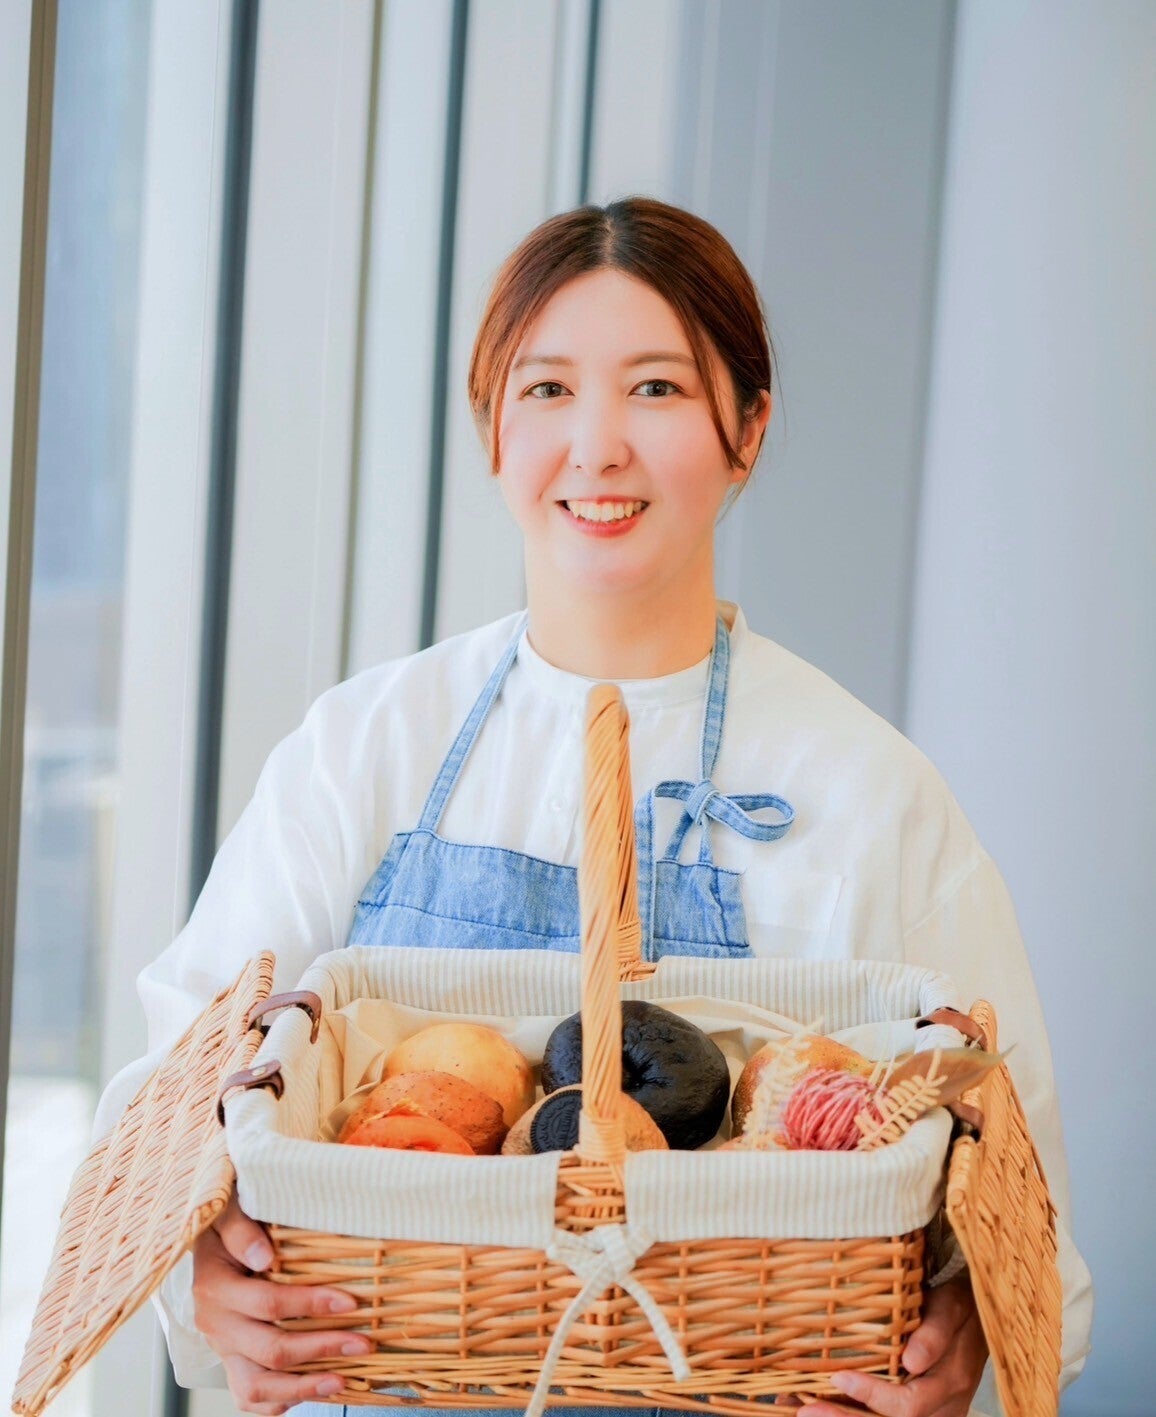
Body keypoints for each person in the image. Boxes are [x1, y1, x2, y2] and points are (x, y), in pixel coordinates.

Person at [95, 197, 1092, 1417]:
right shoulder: (364, 745)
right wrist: (202, 1274)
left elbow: (1022, 1209)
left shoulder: (867, 790)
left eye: (657, 388)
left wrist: (965, 1334)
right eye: (549, 389)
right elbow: (171, 1100)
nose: (597, 446)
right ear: (492, 429)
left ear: (748, 429)